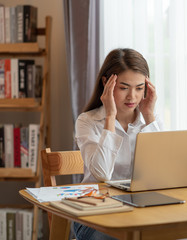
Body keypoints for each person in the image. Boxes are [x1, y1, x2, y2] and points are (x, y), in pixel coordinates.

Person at [72, 48, 162, 240]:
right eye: (124, 88)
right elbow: (102, 174)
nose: (132, 97)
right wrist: (110, 116)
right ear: (107, 83)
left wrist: (149, 117)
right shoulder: (87, 121)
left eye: (139, 88)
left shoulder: (150, 121)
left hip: (139, 211)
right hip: (94, 214)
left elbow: (161, 174)